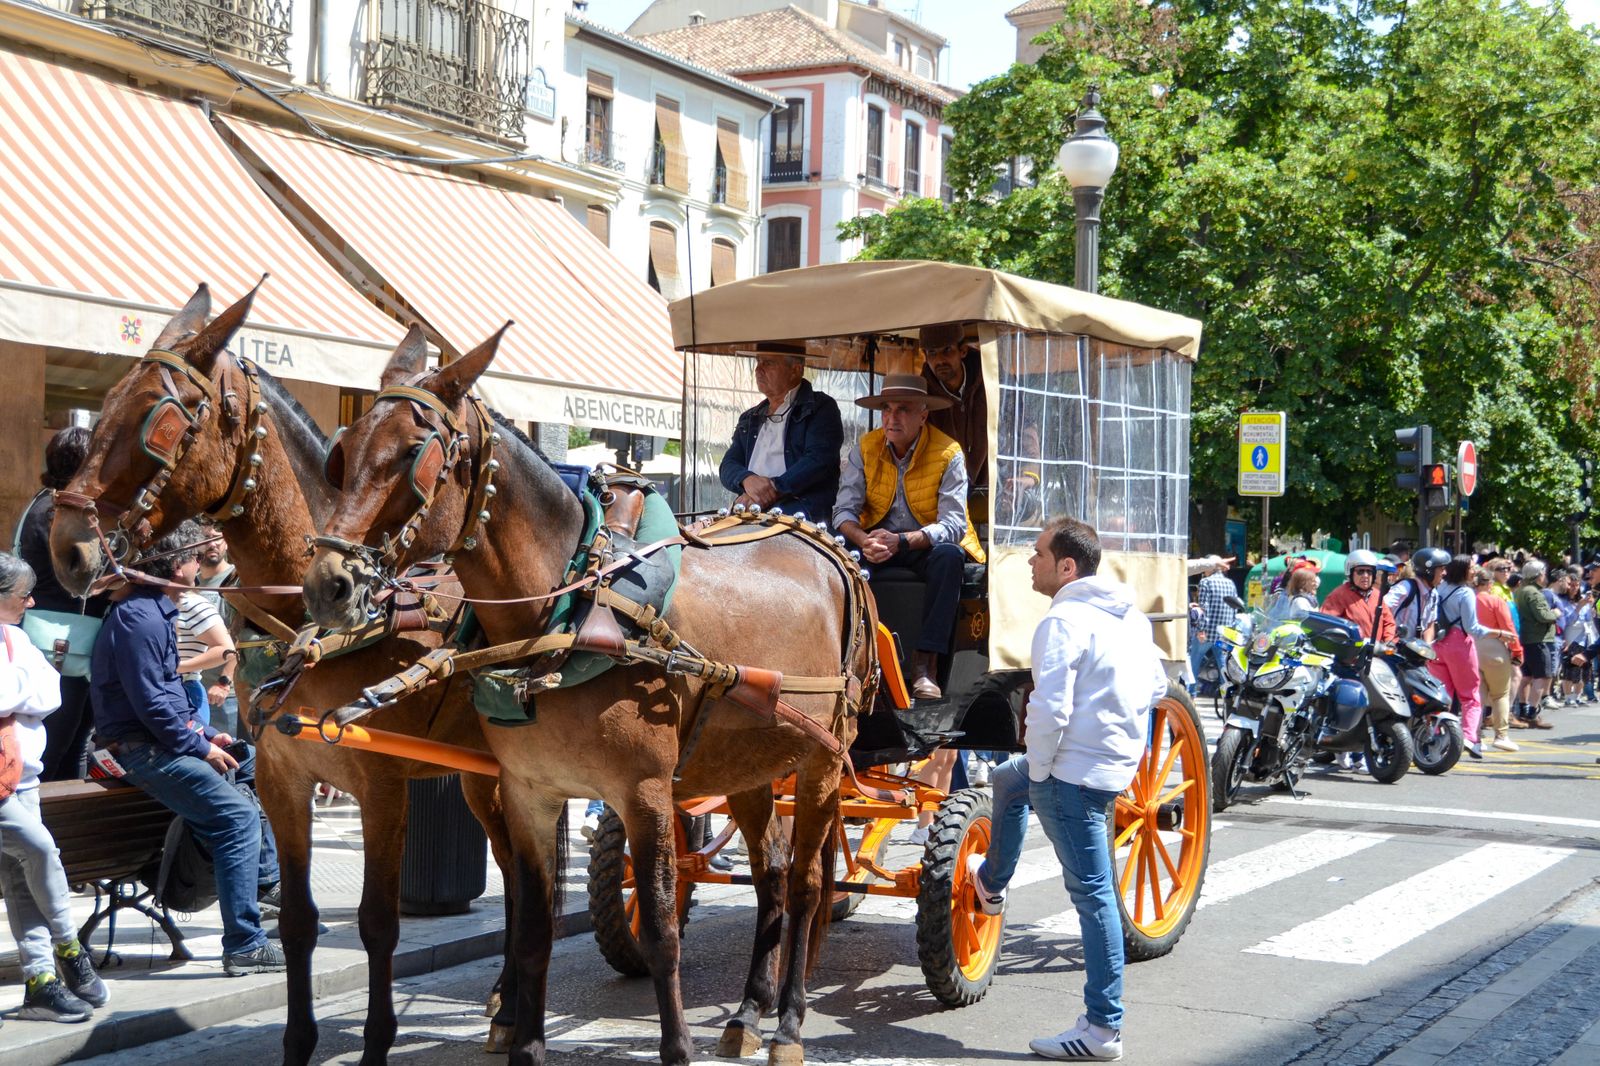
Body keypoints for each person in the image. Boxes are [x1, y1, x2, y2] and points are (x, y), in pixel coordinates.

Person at [967, 516, 1167, 1062]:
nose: (1030, 562)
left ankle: (1103, 1029)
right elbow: (1157, 686)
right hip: (1105, 769)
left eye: (1038, 554)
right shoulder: (1130, 620)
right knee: (1005, 785)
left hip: (1070, 777)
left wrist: (1042, 769)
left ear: (1066, 566)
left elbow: (1048, 708)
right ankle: (992, 885)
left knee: (1095, 897)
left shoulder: (1063, 622)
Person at [89, 528, 285, 976]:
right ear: (178, 566)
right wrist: (197, 743)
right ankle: (245, 942)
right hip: (141, 752)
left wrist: (205, 734)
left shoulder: (155, 613)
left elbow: (168, 696)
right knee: (236, 818)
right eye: (196, 560)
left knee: (253, 761)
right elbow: (151, 703)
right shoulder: (141, 618)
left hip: (159, 742)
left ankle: (266, 882)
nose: (201, 567)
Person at [0, 552, 109, 1023]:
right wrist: (24, 691)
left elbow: (52, 693)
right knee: (41, 850)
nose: (30, 601)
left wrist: (20, 691)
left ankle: (40, 983)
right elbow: (17, 694)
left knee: (21, 882)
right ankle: (69, 945)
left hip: (22, 776)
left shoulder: (17, 637)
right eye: (22, 595)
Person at [833, 372, 984, 701]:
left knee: (950, 556)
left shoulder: (948, 452)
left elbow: (954, 524)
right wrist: (863, 541)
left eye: (902, 410)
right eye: (887, 409)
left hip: (922, 545)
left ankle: (924, 666)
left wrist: (901, 541)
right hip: (874, 543)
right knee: (835, 561)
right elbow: (843, 512)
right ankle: (851, 663)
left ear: (923, 415)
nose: (891, 418)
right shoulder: (866, 447)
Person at [13, 426, 109, 781]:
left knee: (70, 744)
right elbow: (74, 577)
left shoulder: (42, 502)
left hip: (57, 642)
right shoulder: (57, 513)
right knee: (56, 748)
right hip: (60, 647)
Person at [718, 342, 844, 523]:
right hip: (751, 506)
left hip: (800, 512)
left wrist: (773, 488)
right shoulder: (750, 417)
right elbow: (728, 464)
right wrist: (746, 479)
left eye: (768, 363)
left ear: (795, 369)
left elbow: (818, 460)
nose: (758, 370)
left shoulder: (820, 407)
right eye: (758, 362)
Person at [1431, 557, 1515, 760]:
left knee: (1443, 696)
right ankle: (1469, 737)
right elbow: (1472, 628)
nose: (1475, 571)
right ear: (1462, 571)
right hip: (1460, 644)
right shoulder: (1465, 592)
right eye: (1471, 568)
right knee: (1470, 696)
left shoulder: (1439, 589)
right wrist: (1499, 633)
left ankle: (1435, 737)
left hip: (1437, 644)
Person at [1474, 566, 1523, 751]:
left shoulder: (1468, 599)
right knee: (1500, 694)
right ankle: (1501, 735)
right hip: (1495, 646)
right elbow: (1508, 627)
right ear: (1490, 584)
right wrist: (1517, 651)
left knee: (1476, 696)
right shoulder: (1496, 600)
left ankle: (1475, 737)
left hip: (1472, 648)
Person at [1514, 559, 1560, 728]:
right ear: (1539, 575)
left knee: (1527, 676)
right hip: (1538, 639)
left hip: (1526, 639)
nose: (1545, 576)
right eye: (1543, 573)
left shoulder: (1520, 591)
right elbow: (1544, 616)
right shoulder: (1533, 593)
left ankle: (1522, 709)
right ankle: (1532, 713)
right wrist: (1555, 613)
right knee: (1543, 676)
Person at [1320, 550, 1396, 642]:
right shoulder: (1339, 595)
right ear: (1351, 573)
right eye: (1360, 571)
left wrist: (1389, 641)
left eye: (1369, 571)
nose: (1365, 575)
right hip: (1351, 652)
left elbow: (1389, 622)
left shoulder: (1377, 595)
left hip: (1376, 652)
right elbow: (1326, 625)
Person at [1191, 556, 1239, 691]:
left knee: (1194, 662)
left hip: (1207, 632)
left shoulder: (1205, 582)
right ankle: (1227, 695)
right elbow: (1234, 608)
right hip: (1225, 633)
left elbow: (1204, 608)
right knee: (1223, 666)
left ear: (1210, 568)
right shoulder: (1230, 583)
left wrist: (1200, 629)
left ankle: (1190, 694)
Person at [1385, 546, 1449, 640]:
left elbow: (1430, 625)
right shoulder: (1405, 588)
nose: (1445, 573)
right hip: (1395, 647)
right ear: (1429, 571)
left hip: (1416, 649)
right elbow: (1381, 611)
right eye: (1441, 569)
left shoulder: (1433, 594)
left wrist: (1427, 649)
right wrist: (1390, 638)